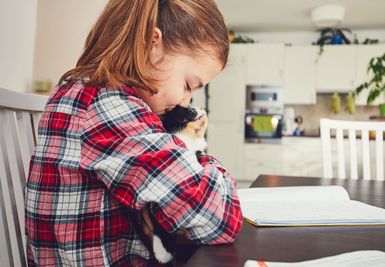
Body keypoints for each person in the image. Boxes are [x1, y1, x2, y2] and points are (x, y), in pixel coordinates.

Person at [25, 0, 243, 266]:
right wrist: (203, 166)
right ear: (153, 44)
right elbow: (218, 219)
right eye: (188, 85)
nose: (186, 103)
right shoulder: (109, 108)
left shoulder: (88, 94)